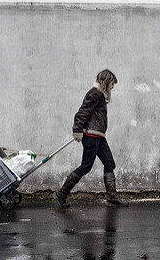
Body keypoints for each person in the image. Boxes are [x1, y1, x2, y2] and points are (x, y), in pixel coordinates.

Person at [54, 69, 128, 208]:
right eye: (112, 83)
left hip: (98, 136)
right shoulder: (95, 94)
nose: (113, 87)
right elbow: (82, 113)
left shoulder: (100, 95)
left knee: (109, 163)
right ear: (106, 82)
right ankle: (62, 193)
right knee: (86, 166)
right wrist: (77, 130)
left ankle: (112, 196)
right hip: (91, 136)